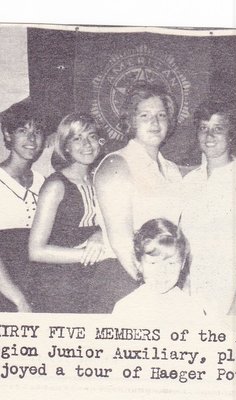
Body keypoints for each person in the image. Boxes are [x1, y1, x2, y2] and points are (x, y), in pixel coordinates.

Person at [89, 82, 183, 313]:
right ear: (131, 121)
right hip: (125, 279)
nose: (155, 122)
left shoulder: (171, 169)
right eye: (145, 115)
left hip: (163, 278)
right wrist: (150, 288)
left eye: (161, 115)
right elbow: (121, 242)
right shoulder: (117, 164)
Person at [180, 100, 236, 316]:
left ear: (231, 135)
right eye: (203, 128)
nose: (209, 136)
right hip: (189, 293)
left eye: (218, 129)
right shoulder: (189, 182)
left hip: (228, 295)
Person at [29, 113, 105, 313]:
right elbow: (35, 251)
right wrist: (87, 255)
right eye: (77, 138)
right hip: (58, 285)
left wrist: (99, 235)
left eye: (91, 136)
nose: (87, 144)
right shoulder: (56, 185)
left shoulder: (100, 180)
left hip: (91, 279)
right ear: (66, 146)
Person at [0, 101, 46, 312]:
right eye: (22, 130)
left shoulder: (44, 182)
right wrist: (18, 299)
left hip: (38, 284)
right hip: (7, 289)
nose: (31, 138)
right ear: (8, 135)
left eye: (37, 131)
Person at [113, 218, 203, 319]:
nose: (162, 271)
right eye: (153, 263)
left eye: (171, 263)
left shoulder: (192, 309)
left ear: (182, 264)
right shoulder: (125, 309)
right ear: (139, 264)